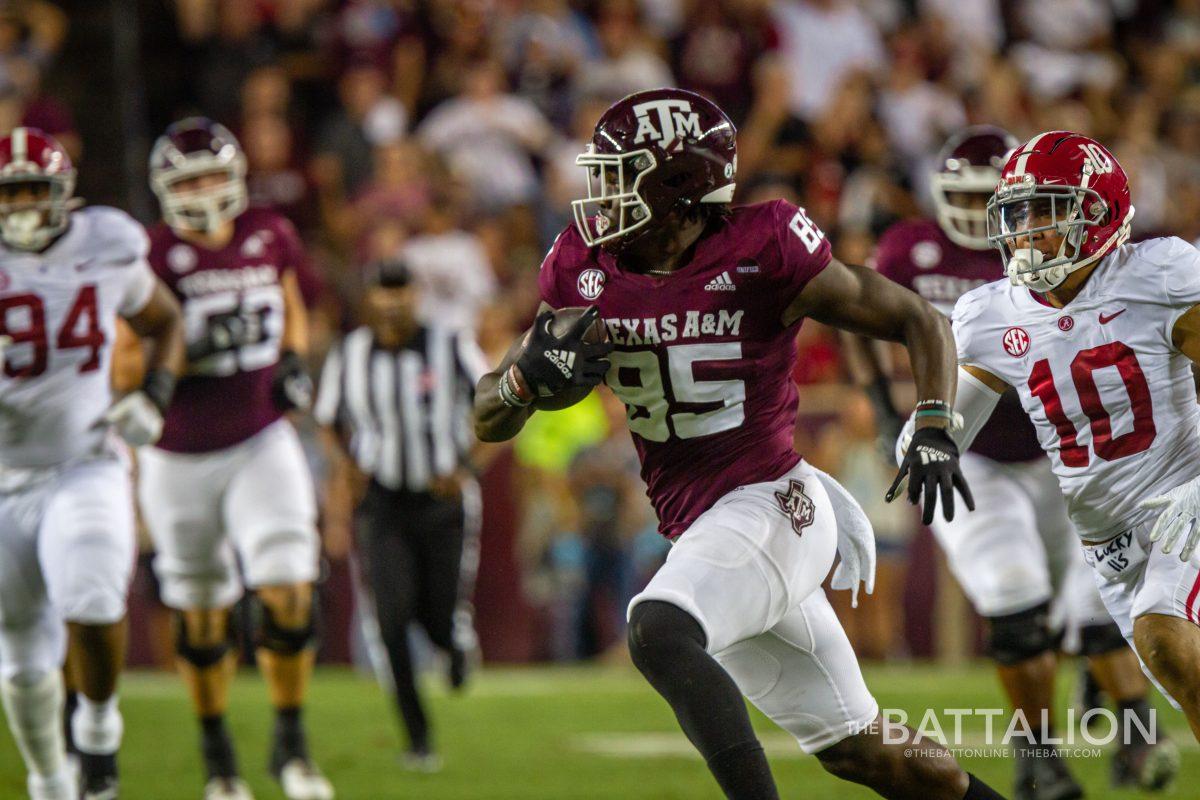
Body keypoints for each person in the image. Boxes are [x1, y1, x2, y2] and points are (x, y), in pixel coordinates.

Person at [474, 87, 1005, 800]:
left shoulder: (766, 246)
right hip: (707, 528)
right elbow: (486, 413)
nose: (598, 191)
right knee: (867, 753)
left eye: (619, 171)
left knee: (659, 628)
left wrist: (936, 423)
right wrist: (519, 383)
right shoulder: (583, 266)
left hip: (773, 502)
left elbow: (918, 320)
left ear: (677, 184)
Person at [854, 127, 1174, 796]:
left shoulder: (1151, 273)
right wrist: (916, 427)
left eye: (1046, 211)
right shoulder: (976, 295)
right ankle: (1040, 757)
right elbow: (949, 395)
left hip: (1084, 467)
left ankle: (1133, 730)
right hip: (995, 466)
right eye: (1017, 211)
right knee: (1018, 598)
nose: (1025, 230)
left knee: (1102, 614)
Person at [137, 118, 333, 800]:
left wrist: (292, 362)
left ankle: (292, 745)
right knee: (200, 614)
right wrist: (179, 357)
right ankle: (218, 756)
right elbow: (128, 358)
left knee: (289, 591)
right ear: (165, 190)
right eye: (187, 179)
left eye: (211, 174)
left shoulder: (269, 231)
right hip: (179, 451)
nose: (202, 189)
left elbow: (293, 301)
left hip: (259, 437)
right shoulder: (153, 254)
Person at [0, 127, 185, 800]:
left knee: (96, 597)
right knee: (20, 663)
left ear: (64, 195)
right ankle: (50, 780)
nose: (21, 205)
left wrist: (154, 395)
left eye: (33, 190)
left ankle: (99, 731)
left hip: (85, 459)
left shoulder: (105, 243)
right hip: (0, 480)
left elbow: (165, 320)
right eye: (9, 192)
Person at [314, 259, 486, 771]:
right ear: (370, 299)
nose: (392, 302)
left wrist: (467, 465)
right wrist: (347, 469)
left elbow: (497, 400)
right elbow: (327, 421)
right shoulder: (352, 353)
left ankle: (453, 644)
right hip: (382, 502)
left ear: (415, 295)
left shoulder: (450, 344)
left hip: (441, 500)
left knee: (435, 615)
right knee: (390, 620)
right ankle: (418, 738)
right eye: (382, 292)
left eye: (400, 291)